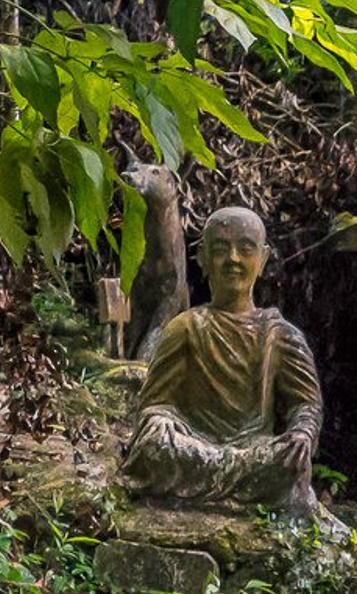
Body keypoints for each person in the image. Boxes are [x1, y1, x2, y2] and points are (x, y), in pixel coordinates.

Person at [119, 205, 322, 516]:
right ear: (202, 258)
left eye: (245, 248)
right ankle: (235, 482)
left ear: (263, 257)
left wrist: (302, 432)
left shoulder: (279, 334)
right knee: (154, 445)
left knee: (292, 464)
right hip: (196, 445)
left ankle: (217, 482)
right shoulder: (185, 326)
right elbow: (155, 404)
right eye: (220, 249)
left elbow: (305, 404)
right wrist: (160, 420)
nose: (233, 259)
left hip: (254, 448)